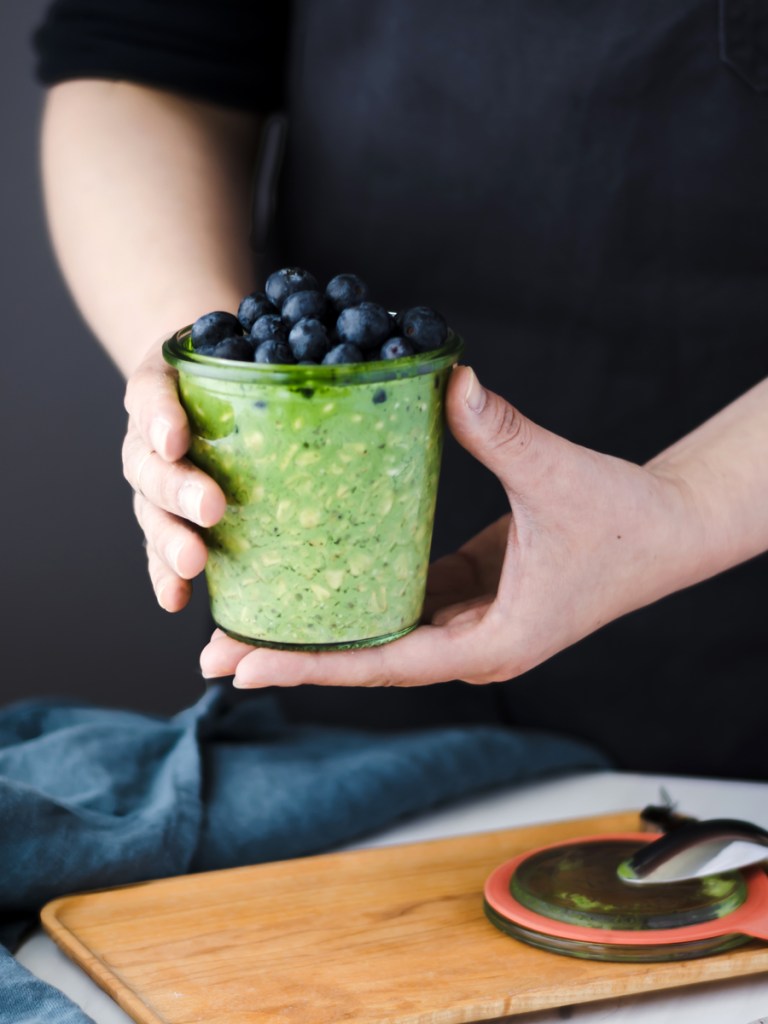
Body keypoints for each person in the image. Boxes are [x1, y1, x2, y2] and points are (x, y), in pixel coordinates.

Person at [34, 0, 768, 778]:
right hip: (325, 601)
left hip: (730, 588)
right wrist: (218, 380)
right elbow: (138, 57)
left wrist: (685, 506)